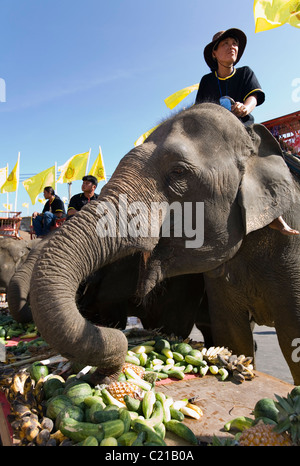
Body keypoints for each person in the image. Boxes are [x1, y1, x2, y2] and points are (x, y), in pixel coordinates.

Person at [195, 28, 299, 236]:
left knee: (257, 160)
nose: (231, 46)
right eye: (225, 44)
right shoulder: (207, 81)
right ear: (214, 53)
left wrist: (245, 107)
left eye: (234, 43)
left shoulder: (245, 73)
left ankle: (274, 216)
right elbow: (201, 111)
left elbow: (254, 98)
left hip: (243, 131)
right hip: (217, 137)